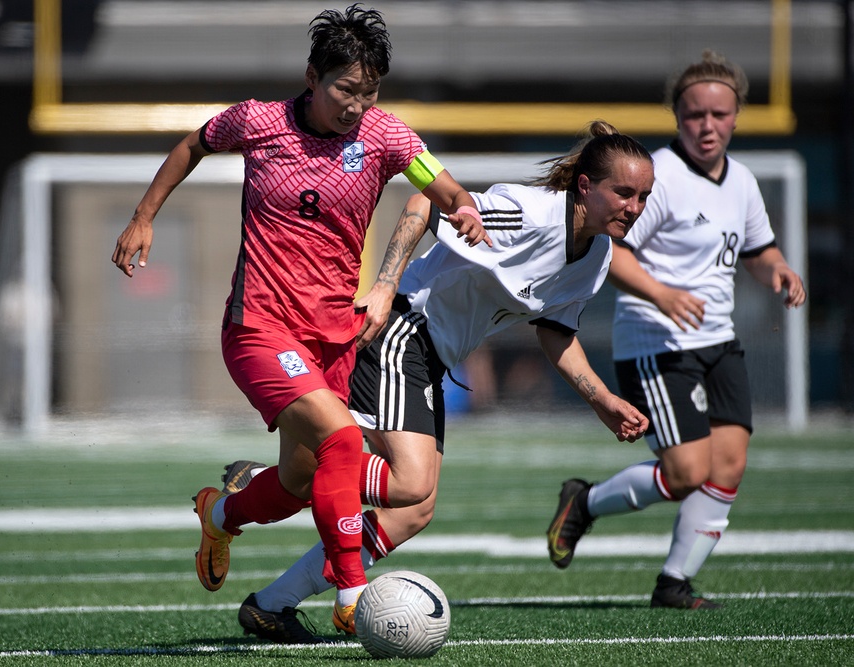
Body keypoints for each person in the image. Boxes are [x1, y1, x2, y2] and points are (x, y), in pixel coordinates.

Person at [111, 4, 489, 634]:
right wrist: (144, 215)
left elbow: (440, 185)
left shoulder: (386, 136)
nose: (355, 106)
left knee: (296, 481)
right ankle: (350, 597)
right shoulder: (257, 121)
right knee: (344, 442)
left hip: (333, 336)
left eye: (368, 93)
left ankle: (220, 516)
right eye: (345, 89)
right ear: (312, 76)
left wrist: (464, 208)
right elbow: (190, 145)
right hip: (259, 327)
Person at [224, 120, 654, 643]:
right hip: (403, 330)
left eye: (643, 197)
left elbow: (556, 332)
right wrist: (383, 287)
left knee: (412, 511)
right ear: (585, 185)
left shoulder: (597, 255)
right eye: (624, 192)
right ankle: (287, 479)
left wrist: (602, 399)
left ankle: (271, 604)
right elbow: (427, 201)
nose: (634, 207)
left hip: (432, 356)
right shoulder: (530, 213)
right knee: (411, 484)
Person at [547, 51, 807, 609]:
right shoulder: (657, 178)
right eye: (694, 115)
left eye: (719, 114)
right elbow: (608, 254)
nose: (707, 125)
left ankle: (673, 582)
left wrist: (778, 270)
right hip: (657, 343)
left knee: (729, 464)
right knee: (687, 469)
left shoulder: (741, 181)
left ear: (736, 117)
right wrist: (662, 293)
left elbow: (759, 251)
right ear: (677, 116)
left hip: (718, 340)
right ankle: (585, 503)